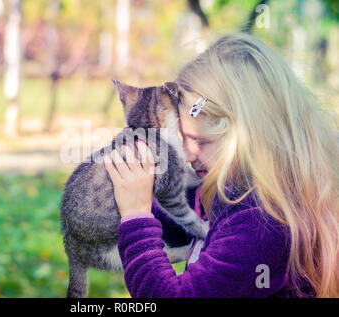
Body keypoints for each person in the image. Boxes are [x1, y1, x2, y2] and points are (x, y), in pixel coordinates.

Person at [103, 33, 338, 298]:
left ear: (254, 137)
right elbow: (173, 220)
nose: (189, 154)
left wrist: (136, 217)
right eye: (183, 138)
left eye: (201, 141)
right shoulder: (230, 187)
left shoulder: (263, 223)